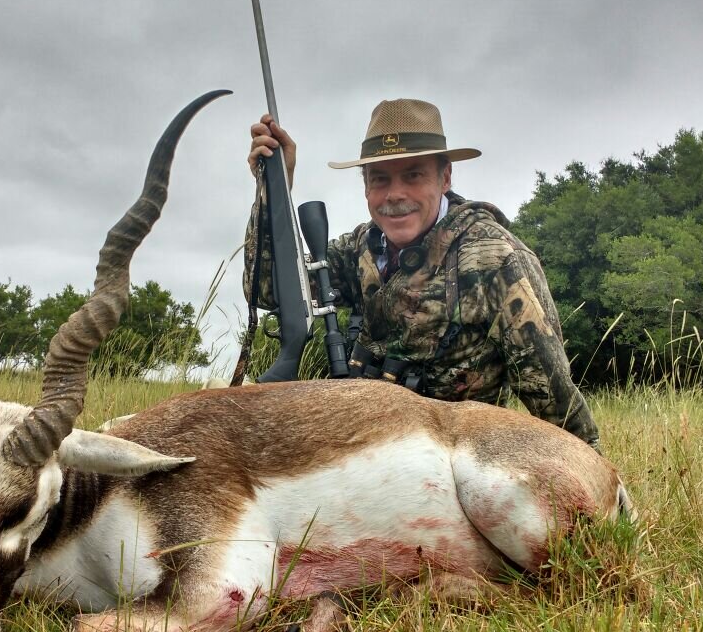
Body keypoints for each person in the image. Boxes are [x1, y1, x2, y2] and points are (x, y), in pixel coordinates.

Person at [243, 98, 601, 450]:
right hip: (363, 450)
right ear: (365, 185)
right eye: (379, 179)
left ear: (445, 177)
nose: (395, 195)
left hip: (456, 464)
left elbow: (553, 400)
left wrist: (589, 484)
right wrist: (273, 191)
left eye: (413, 175)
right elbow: (268, 292)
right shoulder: (360, 248)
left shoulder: (496, 259)